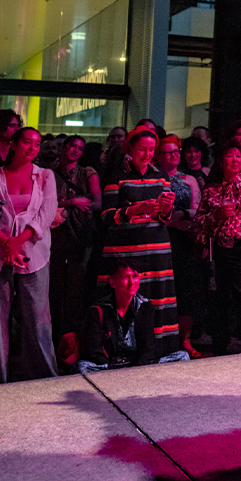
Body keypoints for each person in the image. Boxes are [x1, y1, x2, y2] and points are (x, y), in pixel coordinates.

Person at [0, 127, 60, 385]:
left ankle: (43, 376)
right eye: (26, 142)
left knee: (37, 316)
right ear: (13, 144)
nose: (32, 147)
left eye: (36, 143)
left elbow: (47, 212)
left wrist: (18, 242)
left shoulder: (45, 176)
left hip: (33, 253)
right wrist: (6, 244)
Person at [99, 126, 181, 360]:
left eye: (151, 150)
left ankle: (159, 350)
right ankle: (122, 350)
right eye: (142, 149)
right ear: (130, 148)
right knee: (125, 296)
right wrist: (136, 209)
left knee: (156, 297)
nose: (147, 154)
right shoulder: (117, 176)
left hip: (156, 249)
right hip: (125, 249)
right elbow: (107, 215)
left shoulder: (161, 176)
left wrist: (165, 208)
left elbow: (166, 216)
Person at [195, 140, 241, 354]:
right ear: (221, 161)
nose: (235, 159)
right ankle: (221, 342)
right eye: (230, 155)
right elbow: (198, 223)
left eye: (238, 155)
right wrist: (216, 215)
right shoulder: (211, 190)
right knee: (219, 298)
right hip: (219, 250)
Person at [77, 263, 190, 373]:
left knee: (182, 357)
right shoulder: (98, 310)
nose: (132, 282)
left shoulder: (145, 307)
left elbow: (148, 349)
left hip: (138, 367)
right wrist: (112, 371)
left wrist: (135, 371)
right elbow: (95, 352)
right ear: (112, 282)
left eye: (135, 276)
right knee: (82, 366)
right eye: (126, 277)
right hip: (110, 367)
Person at [155, 135, 203, 358]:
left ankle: (184, 339)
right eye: (168, 152)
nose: (174, 155)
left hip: (183, 239)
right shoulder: (153, 177)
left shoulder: (189, 179)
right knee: (160, 288)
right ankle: (156, 339)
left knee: (185, 289)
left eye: (177, 152)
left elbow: (198, 210)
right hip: (157, 237)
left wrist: (182, 215)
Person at [50, 135, 101, 341]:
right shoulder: (49, 173)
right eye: (72, 146)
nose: (75, 151)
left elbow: (98, 203)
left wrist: (68, 202)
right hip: (56, 232)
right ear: (63, 147)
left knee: (75, 286)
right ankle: (54, 333)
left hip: (81, 233)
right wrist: (72, 202)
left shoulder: (87, 172)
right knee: (55, 285)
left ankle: (70, 336)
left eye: (80, 148)